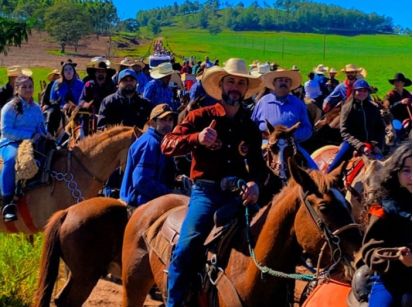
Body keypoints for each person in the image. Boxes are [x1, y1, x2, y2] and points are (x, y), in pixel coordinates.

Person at [161, 58, 267, 306]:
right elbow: (167, 144)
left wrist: (255, 184)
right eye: (231, 81)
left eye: (241, 83)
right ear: (221, 85)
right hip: (206, 193)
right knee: (187, 247)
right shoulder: (200, 116)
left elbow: (259, 167)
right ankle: (174, 303)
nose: (235, 87)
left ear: (245, 89)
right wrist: (196, 138)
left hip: (238, 194)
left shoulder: (250, 127)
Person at [361, 141, 411, 307]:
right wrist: (397, 258)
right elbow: (369, 251)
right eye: (406, 171)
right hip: (392, 282)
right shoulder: (383, 206)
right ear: (396, 173)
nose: (412, 177)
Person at [0, 75, 47, 222]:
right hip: (11, 142)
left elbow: (41, 127)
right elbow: (6, 130)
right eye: (24, 87)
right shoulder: (9, 108)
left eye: (30, 86)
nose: (28, 89)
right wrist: (29, 135)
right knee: (11, 159)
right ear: (17, 89)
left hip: (34, 142)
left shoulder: (37, 108)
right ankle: (7, 201)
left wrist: (45, 135)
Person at [251, 68, 318, 169]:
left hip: (291, 145)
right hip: (265, 143)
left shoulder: (298, 104)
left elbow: (307, 129)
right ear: (274, 83)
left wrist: (291, 136)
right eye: (280, 80)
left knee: (313, 169)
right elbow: (251, 125)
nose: (284, 83)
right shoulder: (262, 102)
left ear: (290, 85)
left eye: (287, 81)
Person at [120, 103, 176, 210]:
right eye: (163, 120)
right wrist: (169, 192)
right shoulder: (151, 144)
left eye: (170, 120)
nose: (168, 124)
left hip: (148, 199)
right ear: (152, 123)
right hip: (139, 202)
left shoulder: (158, 141)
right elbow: (141, 181)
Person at [326, 79, 386, 173]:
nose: (362, 93)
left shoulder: (373, 108)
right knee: (334, 166)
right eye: (359, 90)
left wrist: (378, 145)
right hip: (352, 144)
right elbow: (344, 132)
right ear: (354, 92)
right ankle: (326, 178)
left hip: (372, 145)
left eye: (365, 91)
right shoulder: (347, 108)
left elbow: (380, 128)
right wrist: (360, 146)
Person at [79, 58, 117, 135]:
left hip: (107, 118)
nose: (101, 73)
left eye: (103, 72)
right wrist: (86, 104)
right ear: (95, 73)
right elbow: (81, 101)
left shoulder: (112, 86)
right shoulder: (89, 85)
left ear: (106, 74)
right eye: (98, 71)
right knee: (82, 134)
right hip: (90, 117)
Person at [46, 61, 84, 135]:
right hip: (60, 110)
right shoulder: (57, 83)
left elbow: (84, 98)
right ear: (63, 72)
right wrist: (62, 106)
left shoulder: (80, 84)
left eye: (70, 69)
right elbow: (52, 99)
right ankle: (49, 135)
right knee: (52, 113)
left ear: (74, 71)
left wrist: (75, 107)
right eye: (65, 70)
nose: (68, 72)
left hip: (77, 110)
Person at [383, 73, 412, 140]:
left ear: (403, 83)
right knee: (399, 131)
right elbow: (387, 108)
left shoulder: (407, 93)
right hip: (394, 118)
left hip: (407, 117)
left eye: (400, 81)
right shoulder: (390, 94)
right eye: (396, 81)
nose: (398, 83)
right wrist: (400, 102)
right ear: (394, 83)